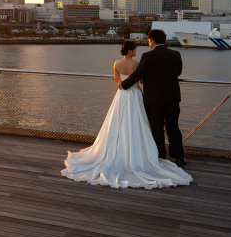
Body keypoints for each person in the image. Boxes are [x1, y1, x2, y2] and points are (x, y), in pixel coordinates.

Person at [61, 40, 192, 189]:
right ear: (130, 51)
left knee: (117, 122)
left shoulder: (116, 63)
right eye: (135, 48)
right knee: (138, 122)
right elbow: (141, 80)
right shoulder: (137, 63)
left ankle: (117, 150)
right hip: (135, 94)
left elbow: (118, 81)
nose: (136, 50)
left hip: (121, 95)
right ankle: (143, 152)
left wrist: (123, 82)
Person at [120, 29, 186, 166]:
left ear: (153, 41)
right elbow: (178, 72)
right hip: (172, 97)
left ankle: (160, 157)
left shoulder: (147, 56)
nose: (149, 43)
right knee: (173, 127)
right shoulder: (176, 54)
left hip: (154, 99)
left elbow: (138, 74)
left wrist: (123, 84)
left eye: (149, 40)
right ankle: (179, 157)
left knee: (157, 129)